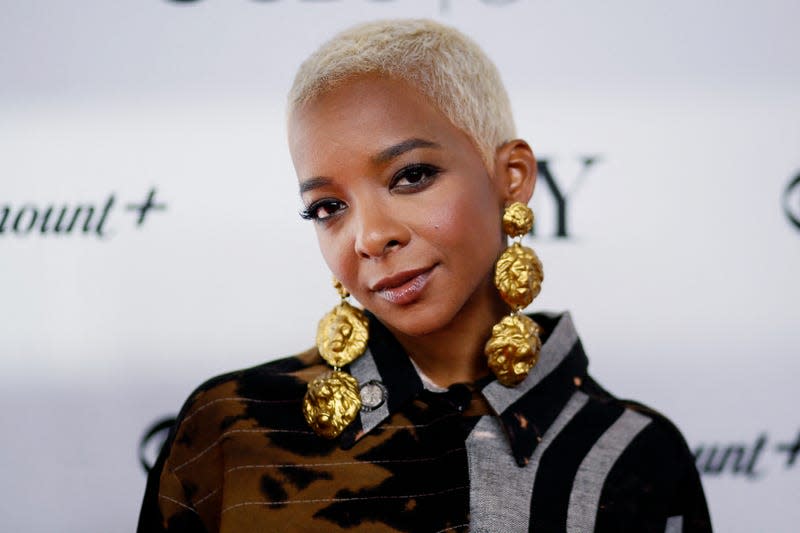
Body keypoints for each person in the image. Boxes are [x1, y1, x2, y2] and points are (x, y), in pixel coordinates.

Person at [138, 19, 711, 532]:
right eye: (327, 208)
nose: (368, 237)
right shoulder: (230, 433)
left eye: (411, 176)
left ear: (510, 175)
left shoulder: (636, 456)